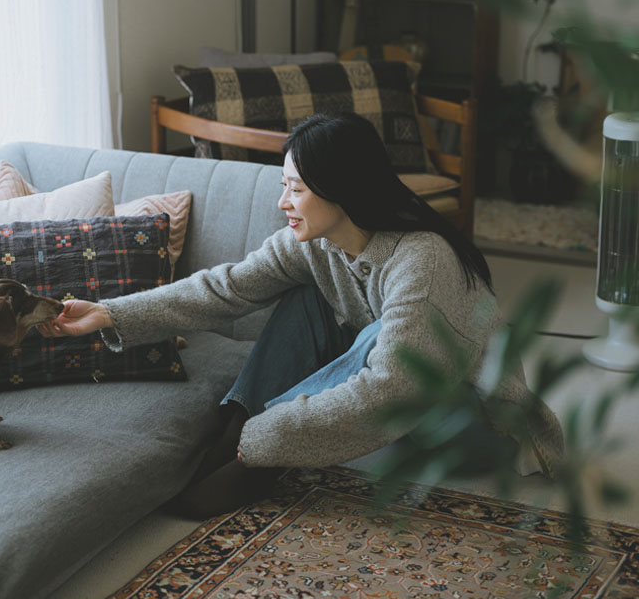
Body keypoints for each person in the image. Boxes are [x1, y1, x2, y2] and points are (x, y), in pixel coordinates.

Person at [38, 112, 564, 518]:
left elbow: (391, 387)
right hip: (409, 406)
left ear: (342, 189)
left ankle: (252, 455)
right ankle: (233, 434)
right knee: (304, 298)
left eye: (297, 189)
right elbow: (226, 288)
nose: (283, 202)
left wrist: (270, 436)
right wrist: (109, 313)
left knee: (382, 336)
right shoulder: (315, 243)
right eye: (283, 186)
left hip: (474, 425)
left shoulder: (422, 261)